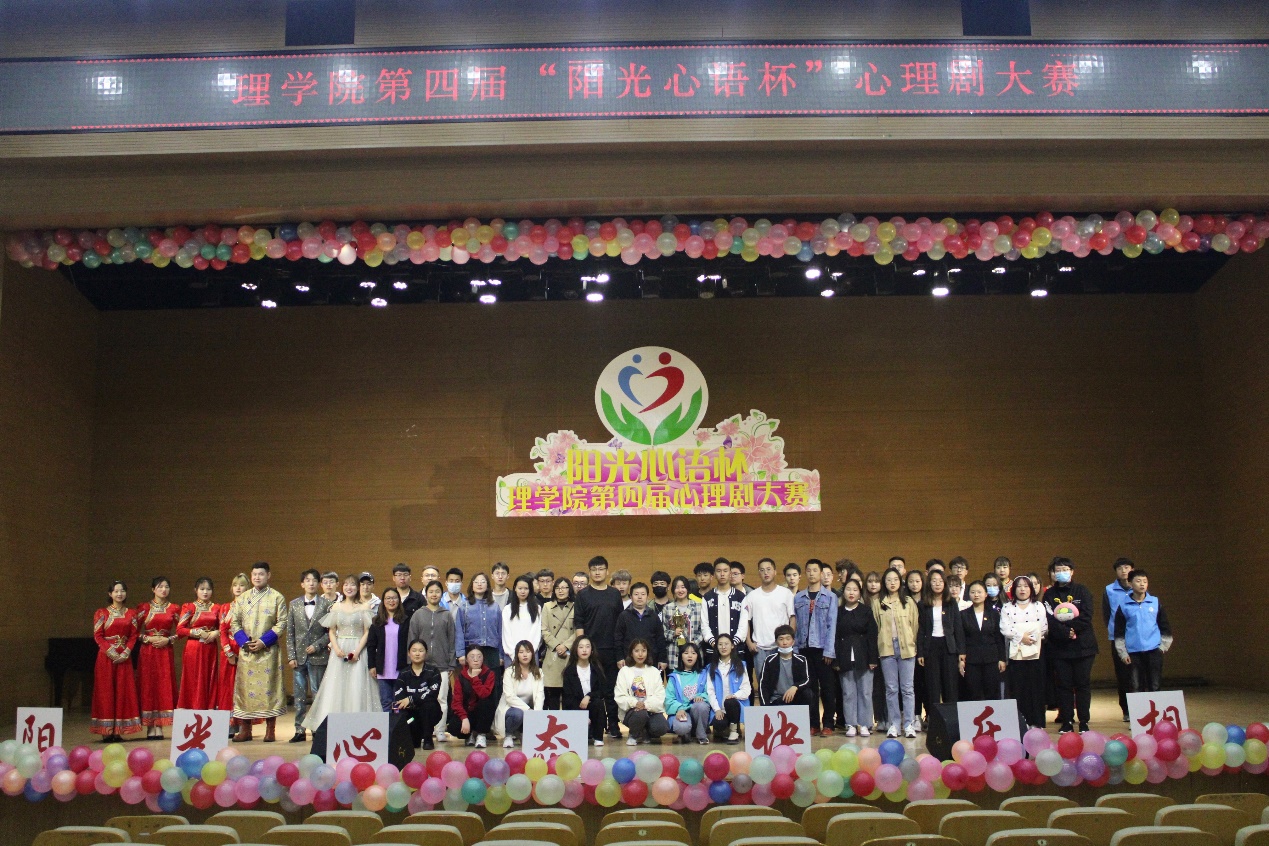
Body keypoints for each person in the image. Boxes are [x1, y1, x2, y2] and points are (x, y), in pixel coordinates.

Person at [302, 575, 380, 732]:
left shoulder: (365, 607)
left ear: (358, 587)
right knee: (336, 687)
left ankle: (359, 727)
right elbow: (331, 631)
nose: (349, 588)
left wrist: (357, 651)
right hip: (339, 650)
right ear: (342, 587)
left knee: (357, 686)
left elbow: (367, 631)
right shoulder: (336, 607)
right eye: (346, 585)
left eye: (353, 585)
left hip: (358, 649)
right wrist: (336, 648)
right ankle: (335, 728)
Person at [230, 562, 289, 742]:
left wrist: (264, 641)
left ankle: (270, 730)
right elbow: (234, 622)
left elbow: (282, 622)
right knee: (245, 690)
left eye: (261, 574)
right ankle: (245, 729)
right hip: (247, 650)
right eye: (254, 574)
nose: (257, 577)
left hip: (268, 651)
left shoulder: (277, 597)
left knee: (269, 689)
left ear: (268, 575)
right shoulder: (243, 598)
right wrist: (244, 642)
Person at [1042, 557, 1098, 733]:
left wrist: (1073, 629)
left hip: (1083, 647)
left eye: (1065, 569)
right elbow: (1048, 618)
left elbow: (1087, 615)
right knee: (1063, 685)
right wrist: (1064, 632)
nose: (1062, 573)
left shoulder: (1082, 591)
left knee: (1082, 684)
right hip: (1060, 648)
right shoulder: (1049, 595)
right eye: (1058, 570)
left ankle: (1084, 721)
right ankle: (1066, 721)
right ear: (1053, 573)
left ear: (1072, 572)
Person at [575, 555, 625, 739]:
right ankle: (593, 726)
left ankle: (613, 725)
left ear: (607, 571)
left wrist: (620, 652)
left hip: (611, 649)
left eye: (601, 569)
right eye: (594, 569)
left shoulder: (614, 594)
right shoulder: (583, 595)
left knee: (611, 690)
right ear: (589, 572)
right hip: (590, 650)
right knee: (591, 689)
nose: (597, 572)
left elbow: (620, 624)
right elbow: (579, 623)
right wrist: (581, 650)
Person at [407, 579, 456, 743]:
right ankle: (423, 731)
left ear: (441, 594)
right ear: (426, 594)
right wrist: (412, 662)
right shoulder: (418, 615)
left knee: (442, 699)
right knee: (422, 700)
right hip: (422, 666)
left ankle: (440, 730)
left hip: (442, 665)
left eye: (437, 591)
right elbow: (412, 640)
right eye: (431, 591)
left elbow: (452, 641)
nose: (434, 594)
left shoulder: (447, 615)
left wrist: (451, 663)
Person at [92, 581, 142, 741]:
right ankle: (106, 731)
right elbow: (98, 635)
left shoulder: (131, 613)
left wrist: (127, 651)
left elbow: (133, 635)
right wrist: (110, 651)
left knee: (122, 692)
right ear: (110, 594)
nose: (119, 594)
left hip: (124, 658)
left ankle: (118, 730)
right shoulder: (101, 613)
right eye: (116, 591)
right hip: (106, 658)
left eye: (122, 591)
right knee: (106, 692)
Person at [793, 558, 838, 735]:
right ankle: (813, 723)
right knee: (809, 688)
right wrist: (795, 649)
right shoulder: (798, 597)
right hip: (804, 648)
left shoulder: (830, 597)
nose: (812, 574)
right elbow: (795, 624)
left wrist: (829, 650)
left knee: (827, 688)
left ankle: (828, 723)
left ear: (821, 573)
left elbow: (832, 625)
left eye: (815, 570)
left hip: (822, 648)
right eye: (809, 570)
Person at [285, 569, 331, 741]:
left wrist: (317, 645)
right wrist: (291, 656)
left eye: (314, 580)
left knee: (317, 694)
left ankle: (317, 728)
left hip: (318, 656)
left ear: (319, 584)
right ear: (302, 584)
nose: (311, 583)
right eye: (307, 580)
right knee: (299, 695)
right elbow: (290, 632)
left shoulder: (326, 604)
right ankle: (299, 730)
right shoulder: (294, 604)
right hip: (299, 658)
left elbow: (330, 632)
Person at [874, 567, 919, 738]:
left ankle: (909, 725)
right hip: (887, 648)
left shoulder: (908, 601)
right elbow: (876, 626)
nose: (892, 583)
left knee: (907, 689)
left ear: (900, 582)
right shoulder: (878, 603)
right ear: (884, 583)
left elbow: (914, 626)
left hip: (906, 648)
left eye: (895, 579)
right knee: (891, 689)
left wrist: (911, 642)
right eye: (888, 580)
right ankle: (894, 724)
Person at [1113, 568, 1173, 694]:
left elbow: (1165, 627)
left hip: (1154, 651)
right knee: (1135, 687)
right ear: (1130, 584)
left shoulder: (1155, 602)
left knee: (1155, 686)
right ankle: (1137, 708)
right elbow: (1119, 632)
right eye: (1138, 581)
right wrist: (1123, 653)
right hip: (1133, 653)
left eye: (1145, 581)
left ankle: (1155, 708)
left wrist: (1162, 647)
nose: (1142, 584)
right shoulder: (1123, 606)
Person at [1000, 575, 1047, 728]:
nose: (1022, 589)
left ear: (1031, 589)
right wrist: (1021, 637)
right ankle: (1020, 722)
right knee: (1018, 688)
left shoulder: (1038, 606)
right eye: (1019, 586)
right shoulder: (1007, 607)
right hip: (1016, 654)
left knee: (1036, 688)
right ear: (1014, 589)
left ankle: (1037, 722)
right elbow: (1005, 628)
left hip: (1035, 652)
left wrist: (1030, 637)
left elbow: (1043, 627)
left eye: (1026, 586)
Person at [136, 576, 179, 739]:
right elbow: (133, 632)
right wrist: (148, 639)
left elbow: (181, 630)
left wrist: (168, 640)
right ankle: (149, 725)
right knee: (148, 685)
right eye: (160, 587)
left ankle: (159, 725)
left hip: (165, 652)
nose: (164, 590)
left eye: (166, 587)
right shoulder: (144, 608)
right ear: (153, 589)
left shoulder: (174, 608)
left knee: (163, 686)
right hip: (148, 652)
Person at [835, 578, 878, 737]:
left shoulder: (866, 611)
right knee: (848, 693)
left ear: (860, 593)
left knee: (865, 692)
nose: (851, 593)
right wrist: (836, 660)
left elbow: (872, 636)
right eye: (848, 589)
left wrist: (873, 659)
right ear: (844, 592)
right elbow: (835, 637)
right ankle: (851, 724)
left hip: (864, 656)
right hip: (844, 656)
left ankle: (865, 724)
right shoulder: (838, 612)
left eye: (855, 590)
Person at [743, 558, 796, 678]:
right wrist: (749, 642)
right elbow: (746, 621)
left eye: (768, 569)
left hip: (781, 646)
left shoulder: (786, 593)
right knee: (763, 682)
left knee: (783, 681)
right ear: (759, 573)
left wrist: (790, 639)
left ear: (775, 572)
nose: (765, 573)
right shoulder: (752, 596)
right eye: (762, 570)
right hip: (760, 648)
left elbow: (792, 618)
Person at [917, 568, 961, 709]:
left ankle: (951, 716)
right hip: (931, 646)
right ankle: (933, 717)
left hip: (948, 646)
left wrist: (962, 651)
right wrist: (920, 652)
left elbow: (958, 628)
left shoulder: (951, 602)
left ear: (945, 584)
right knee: (932, 685)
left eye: (940, 581)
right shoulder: (923, 604)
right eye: (934, 581)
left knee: (950, 684)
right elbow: (921, 629)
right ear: (929, 583)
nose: (937, 584)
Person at [177, 577, 221, 712]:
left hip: (210, 648)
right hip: (194, 648)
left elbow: (224, 628)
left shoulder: (217, 608)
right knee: (194, 679)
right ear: (195, 590)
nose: (205, 592)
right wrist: (197, 632)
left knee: (209, 678)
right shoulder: (189, 607)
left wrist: (216, 633)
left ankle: (209, 710)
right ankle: (193, 710)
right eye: (202, 589)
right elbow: (180, 630)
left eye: (208, 589)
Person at [958, 580, 1007, 701]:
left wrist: (1002, 658)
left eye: (979, 592)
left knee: (992, 692)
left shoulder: (994, 614)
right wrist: (961, 658)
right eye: (973, 592)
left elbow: (999, 637)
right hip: (971, 660)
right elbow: (961, 637)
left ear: (985, 594)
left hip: (991, 659)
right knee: (973, 692)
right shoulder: (963, 614)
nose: (976, 595)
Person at [615, 638, 668, 745]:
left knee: (662, 727)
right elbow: (620, 695)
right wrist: (635, 703)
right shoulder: (624, 671)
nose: (640, 654)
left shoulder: (654, 671)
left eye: (643, 651)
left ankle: (645, 732)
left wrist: (646, 705)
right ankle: (633, 735)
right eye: (637, 651)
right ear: (631, 653)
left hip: (650, 709)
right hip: (632, 711)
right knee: (641, 715)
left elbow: (660, 695)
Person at [391, 640, 442, 750]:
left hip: (429, 714)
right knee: (413, 742)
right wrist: (411, 701)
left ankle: (428, 738)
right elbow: (400, 699)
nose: (417, 654)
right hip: (412, 716)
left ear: (426, 653)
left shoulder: (433, 672)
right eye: (414, 651)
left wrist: (411, 699)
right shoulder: (403, 674)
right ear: (409, 653)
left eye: (421, 651)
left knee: (429, 705)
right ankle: (411, 735)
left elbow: (432, 694)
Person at [449, 644, 500, 748]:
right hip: (467, 712)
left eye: (479, 656)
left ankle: (481, 734)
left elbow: (484, 694)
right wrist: (464, 718)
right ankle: (469, 734)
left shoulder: (489, 674)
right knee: (454, 726)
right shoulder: (461, 676)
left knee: (485, 702)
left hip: (483, 712)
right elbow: (456, 702)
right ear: (466, 660)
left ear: (483, 659)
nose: (476, 660)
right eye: (472, 657)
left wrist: (475, 678)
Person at [1104, 557, 1136, 722]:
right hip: (1119, 639)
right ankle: (1127, 710)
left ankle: (1141, 708)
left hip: (1138, 638)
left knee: (1139, 675)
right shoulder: (1109, 590)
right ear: (1116, 571)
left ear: (1132, 570)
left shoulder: (1139, 587)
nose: (1124, 571)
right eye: (1120, 568)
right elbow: (1106, 614)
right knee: (1123, 676)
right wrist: (1115, 631)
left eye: (1127, 567)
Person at [217, 573, 249, 738]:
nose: (238, 588)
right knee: (227, 687)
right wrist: (228, 652)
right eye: (235, 585)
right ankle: (229, 722)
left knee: (244, 687)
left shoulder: (250, 607)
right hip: (228, 651)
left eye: (242, 585)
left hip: (245, 650)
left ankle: (243, 724)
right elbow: (222, 630)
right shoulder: (225, 608)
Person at [368, 588, 410, 711]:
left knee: (399, 703)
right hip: (383, 669)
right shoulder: (377, 622)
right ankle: (388, 724)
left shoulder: (406, 620)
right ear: (383, 601)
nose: (391, 601)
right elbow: (371, 646)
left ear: (399, 600)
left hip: (401, 668)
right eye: (388, 598)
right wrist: (372, 666)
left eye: (394, 598)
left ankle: (398, 724)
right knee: (386, 702)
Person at [497, 640, 545, 747]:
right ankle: (509, 735)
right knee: (518, 714)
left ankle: (522, 732)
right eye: (521, 652)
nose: (525, 655)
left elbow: (540, 695)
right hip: (511, 708)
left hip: (530, 708)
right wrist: (528, 710)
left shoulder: (538, 672)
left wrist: (536, 714)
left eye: (528, 651)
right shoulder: (509, 672)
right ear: (517, 655)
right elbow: (509, 697)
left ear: (532, 654)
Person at [562, 637, 608, 747]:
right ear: (575, 650)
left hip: (592, 705)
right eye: (581, 647)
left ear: (592, 650)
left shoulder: (596, 668)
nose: (584, 650)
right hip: (576, 707)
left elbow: (602, 691)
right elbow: (568, 698)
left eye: (587, 647)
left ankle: (598, 737)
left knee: (598, 703)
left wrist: (589, 696)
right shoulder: (569, 671)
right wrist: (582, 716)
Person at [703, 557, 748, 666]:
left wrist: (732, 644)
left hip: (736, 649)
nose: (722, 574)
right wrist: (715, 644)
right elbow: (704, 624)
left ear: (730, 573)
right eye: (719, 571)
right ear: (714, 574)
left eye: (725, 571)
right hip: (713, 650)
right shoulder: (708, 597)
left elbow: (743, 624)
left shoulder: (740, 597)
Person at [705, 633, 749, 743]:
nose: (723, 647)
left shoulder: (740, 665)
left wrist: (734, 696)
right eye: (720, 644)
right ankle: (724, 728)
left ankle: (734, 730)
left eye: (726, 644)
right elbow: (710, 692)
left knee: (730, 702)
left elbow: (746, 689)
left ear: (732, 646)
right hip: (720, 709)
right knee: (719, 725)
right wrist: (717, 709)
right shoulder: (711, 667)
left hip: (735, 705)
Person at [541, 578, 576, 709]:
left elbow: (578, 630)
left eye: (564, 587)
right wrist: (556, 645)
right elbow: (544, 630)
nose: (561, 591)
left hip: (570, 653)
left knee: (569, 693)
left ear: (569, 589)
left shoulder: (576, 606)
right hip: (553, 653)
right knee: (553, 693)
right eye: (558, 588)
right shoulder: (547, 606)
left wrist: (566, 646)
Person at [455, 572, 502, 670]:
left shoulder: (495, 606)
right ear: (472, 586)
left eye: (483, 582)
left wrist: (501, 654)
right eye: (476, 582)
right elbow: (459, 631)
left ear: (487, 586)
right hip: (471, 650)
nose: (479, 584)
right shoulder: (464, 606)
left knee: (492, 678)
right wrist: (460, 653)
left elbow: (500, 631)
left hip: (492, 651)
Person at [615, 583, 668, 670]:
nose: (639, 597)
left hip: (651, 661)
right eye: (636, 594)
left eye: (643, 594)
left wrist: (662, 659)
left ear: (647, 596)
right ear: (631, 597)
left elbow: (660, 639)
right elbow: (618, 639)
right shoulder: (623, 616)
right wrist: (619, 657)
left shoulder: (654, 616)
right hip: (629, 661)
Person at [666, 643, 711, 744]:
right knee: (682, 727)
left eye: (693, 653)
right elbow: (669, 698)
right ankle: (685, 733)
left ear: (698, 656)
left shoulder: (704, 674)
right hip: (681, 712)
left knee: (701, 706)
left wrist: (701, 697)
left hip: (697, 712)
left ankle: (701, 735)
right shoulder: (674, 676)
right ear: (681, 656)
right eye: (686, 653)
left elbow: (709, 692)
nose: (690, 656)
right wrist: (679, 708)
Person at [758, 625, 811, 706]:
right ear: (776, 642)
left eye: (788, 639)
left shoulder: (801, 659)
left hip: (794, 697)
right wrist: (765, 706)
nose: (785, 642)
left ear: (793, 641)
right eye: (781, 639)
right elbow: (763, 684)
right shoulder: (770, 660)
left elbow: (807, 680)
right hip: (776, 700)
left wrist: (795, 687)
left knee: (808, 693)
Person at [661, 575, 705, 671]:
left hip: (694, 653)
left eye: (683, 587)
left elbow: (704, 630)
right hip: (674, 655)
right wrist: (673, 633)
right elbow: (663, 632)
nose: (680, 590)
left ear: (688, 589)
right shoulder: (667, 608)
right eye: (677, 587)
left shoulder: (698, 606)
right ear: (673, 590)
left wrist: (694, 643)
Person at [863, 570, 887, 729]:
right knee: (871, 688)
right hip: (867, 649)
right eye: (870, 581)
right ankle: (873, 719)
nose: (873, 585)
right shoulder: (862, 602)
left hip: (884, 648)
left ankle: (885, 718)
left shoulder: (886, 601)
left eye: (876, 581)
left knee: (885, 686)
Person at [501, 575, 542, 666]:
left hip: (531, 654)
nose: (523, 591)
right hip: (511, 656)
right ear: (515, 589)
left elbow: (536, 632)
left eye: (526, 588)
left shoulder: (537, 608)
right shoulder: (507, 609)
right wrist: (514, 654)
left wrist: (528, 652)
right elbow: (506, 633)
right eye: (520, 588)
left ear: (530, 590)